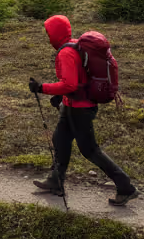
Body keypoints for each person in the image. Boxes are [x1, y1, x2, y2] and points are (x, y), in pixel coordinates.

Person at [28, 14, 137, 206]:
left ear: (56, 32)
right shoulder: (74, 45)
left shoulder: (65, 52)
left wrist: (42, 88)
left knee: (90, 150)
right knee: (60, 140)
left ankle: (125, 186)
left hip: (80, 109)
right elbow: (79, 80)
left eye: (48, 32)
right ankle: (56, 181)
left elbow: (69, 84)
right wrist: (60, 97)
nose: (47, 37)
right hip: (74, 106)